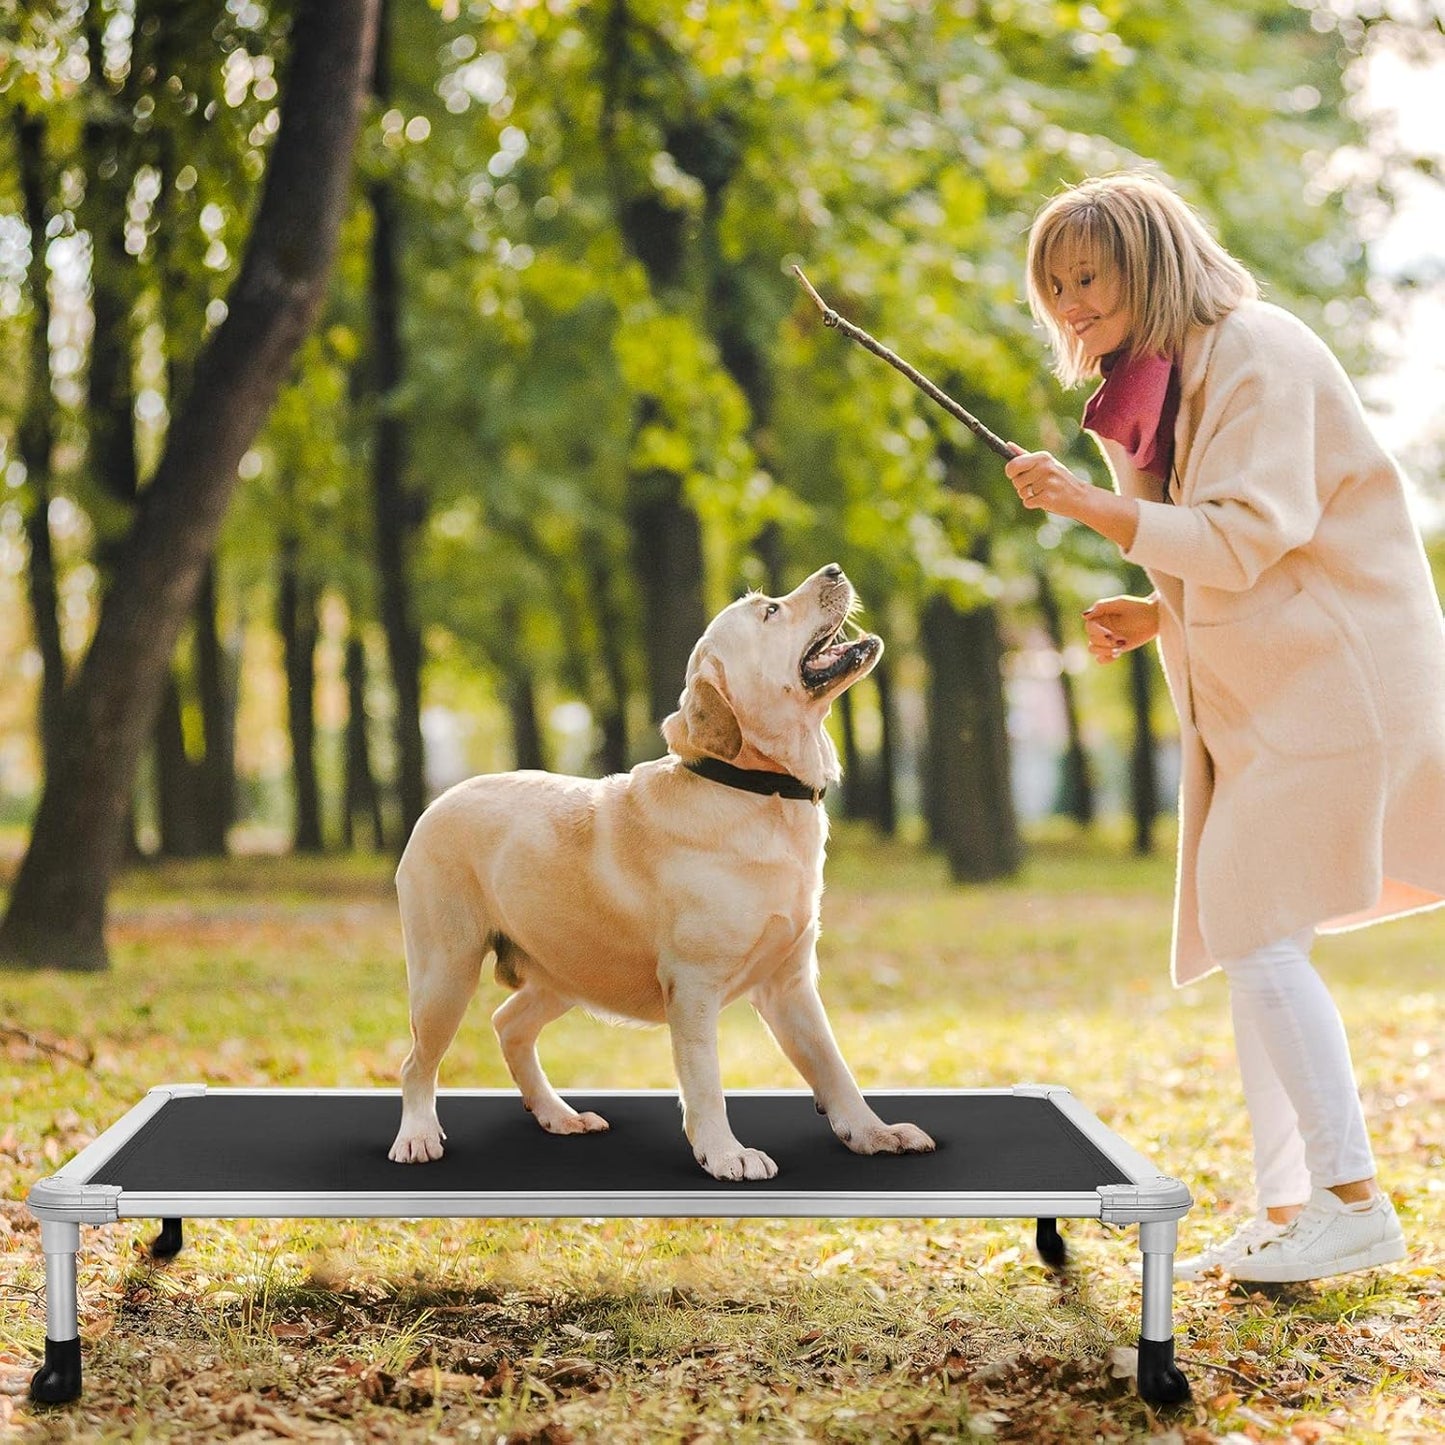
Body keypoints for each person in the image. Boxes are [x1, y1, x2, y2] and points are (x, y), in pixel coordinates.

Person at [1004, 170, 1445, 1283]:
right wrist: (1161, 609)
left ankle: (1351, 1203)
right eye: (1051, 285)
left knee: (1248, 919)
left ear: (1146, 261)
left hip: (1335, 684)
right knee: (1258, 931)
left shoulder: (1253, 349)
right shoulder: (1162, 377)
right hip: (1281, 686)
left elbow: (1249, 532)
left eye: (1086, 276)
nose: (1066, 302)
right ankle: (1291, 1203)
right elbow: (1251, 544)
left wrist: (1091, 505)